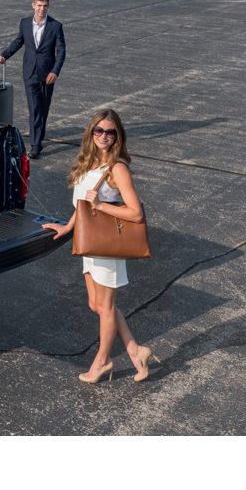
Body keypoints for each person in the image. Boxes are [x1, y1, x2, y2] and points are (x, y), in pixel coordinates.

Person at [42, 108, 159, 383]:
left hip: (107, 247)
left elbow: (136, 213)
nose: (104, 136)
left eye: (110, 132)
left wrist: (101, 205)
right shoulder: (89, 162)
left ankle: (102, 361)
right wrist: (68, 227)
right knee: (97, 305)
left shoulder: (117, 169)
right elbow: (82, 204)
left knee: (105, 308)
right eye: (99, 130)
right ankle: (136, 350)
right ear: (91, 133)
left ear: (117, 136)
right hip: (90, 245)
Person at [0, 0, 64, 158]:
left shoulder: (56, 26)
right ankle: (35, 144)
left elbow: (61, 51)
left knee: (43, 107)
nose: (42, 9)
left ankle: (38, 135)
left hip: (47, 74)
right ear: (33, 5)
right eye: (39, 6)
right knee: (34, 108)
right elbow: (19, 41)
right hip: (30, 72)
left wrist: (55, 71)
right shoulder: (25, 23)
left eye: (45, 6)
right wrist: (5, 55)